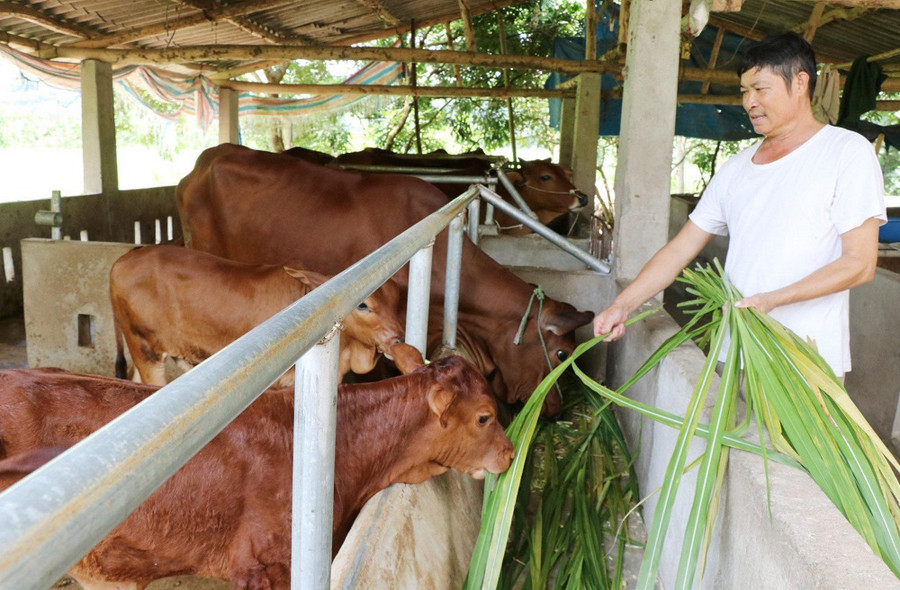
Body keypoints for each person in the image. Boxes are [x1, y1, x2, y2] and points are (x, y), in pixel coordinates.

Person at [593, 31, 885, 378]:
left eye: (761, 89)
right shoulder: (736, 169)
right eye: (744, 92)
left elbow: (860, 264)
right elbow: (678, 250)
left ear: (801, 82)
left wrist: (773, 299)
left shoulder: (845, 152)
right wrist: (622, 305)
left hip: (806, 360)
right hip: (735, 353)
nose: (749, 103)